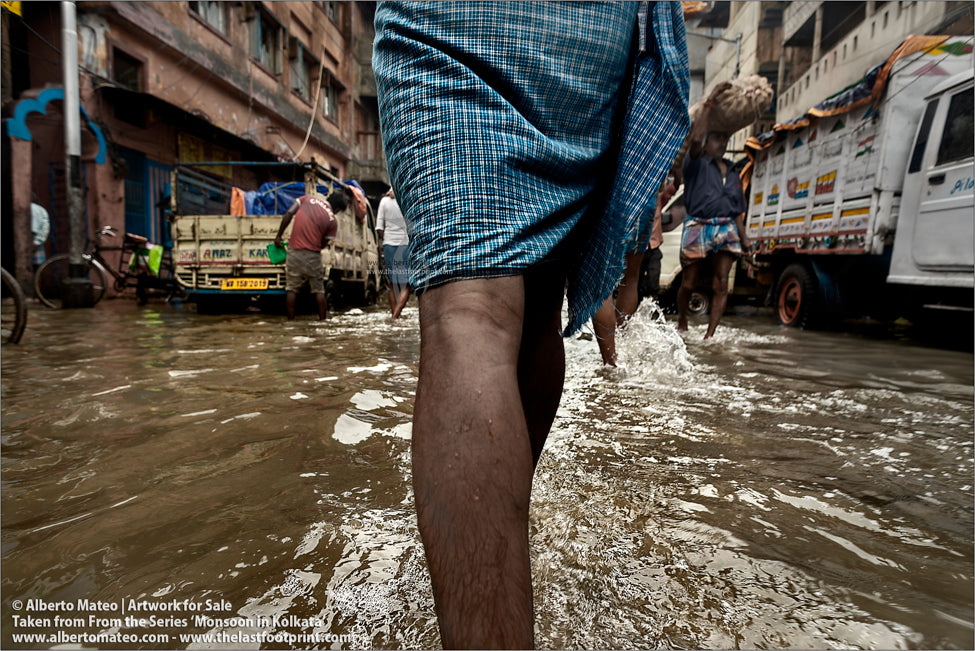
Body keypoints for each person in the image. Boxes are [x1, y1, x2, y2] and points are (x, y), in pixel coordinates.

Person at [374, 2, 689, 647]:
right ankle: (503, 517)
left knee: (472, 310)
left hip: (452, 19)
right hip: (586, 32)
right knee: (539, 309)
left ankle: (484, 542)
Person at [678, 80, 751, 339]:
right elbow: (696, 137)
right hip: (698, 223)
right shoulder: (695, 163)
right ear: (706, 143)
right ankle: (683, 322)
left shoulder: (732, 170)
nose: (723, 142)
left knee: (720, 283)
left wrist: (745, 239)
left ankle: (710, 335)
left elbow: (737, 209)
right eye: (718, 137)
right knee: (688, 283)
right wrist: (710, 100)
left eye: (725, 138)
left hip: (726, 226)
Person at [592, 180, 676, 366]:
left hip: (611, 194)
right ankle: (621, 349)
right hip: (644, 200)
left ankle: (610, 361)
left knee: (601, 282)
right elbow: (665, 183)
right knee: (631, 279)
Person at [273, 190, 348, 321]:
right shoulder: (332, 220)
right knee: (319, 290)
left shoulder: (305, 199)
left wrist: (279, 236)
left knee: (291, 289)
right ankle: (322, 321)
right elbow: (323, 243)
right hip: (313, 255)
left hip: (294, 251)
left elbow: (289, 214)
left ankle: (290, 322)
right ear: (336, 208)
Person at [375, 188, 411, 318]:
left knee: (393, 283)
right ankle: (396, 315)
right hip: (405, 244)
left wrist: (388, 238)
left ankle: (394, 317)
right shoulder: (406, 199)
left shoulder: (384, 201)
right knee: (406, 284)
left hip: (389, 245)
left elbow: (379, 227)